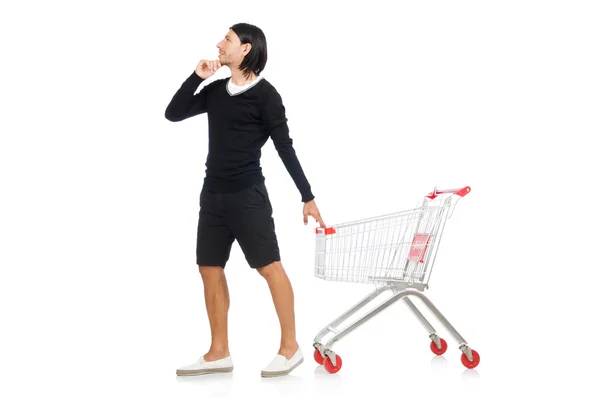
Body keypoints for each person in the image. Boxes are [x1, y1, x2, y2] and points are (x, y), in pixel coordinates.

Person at [164, 23, 325, 378]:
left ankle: (290, 347)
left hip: (248, 195)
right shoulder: (217, 90)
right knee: (209, 268)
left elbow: (285, 148)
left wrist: (307, 196)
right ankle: (218, 352)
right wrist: (196, 76)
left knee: (269, 267)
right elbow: (173, 113)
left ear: (246, 49)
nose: (219, 45)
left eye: (227, 40)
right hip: (213, 195)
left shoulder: (267, 96)